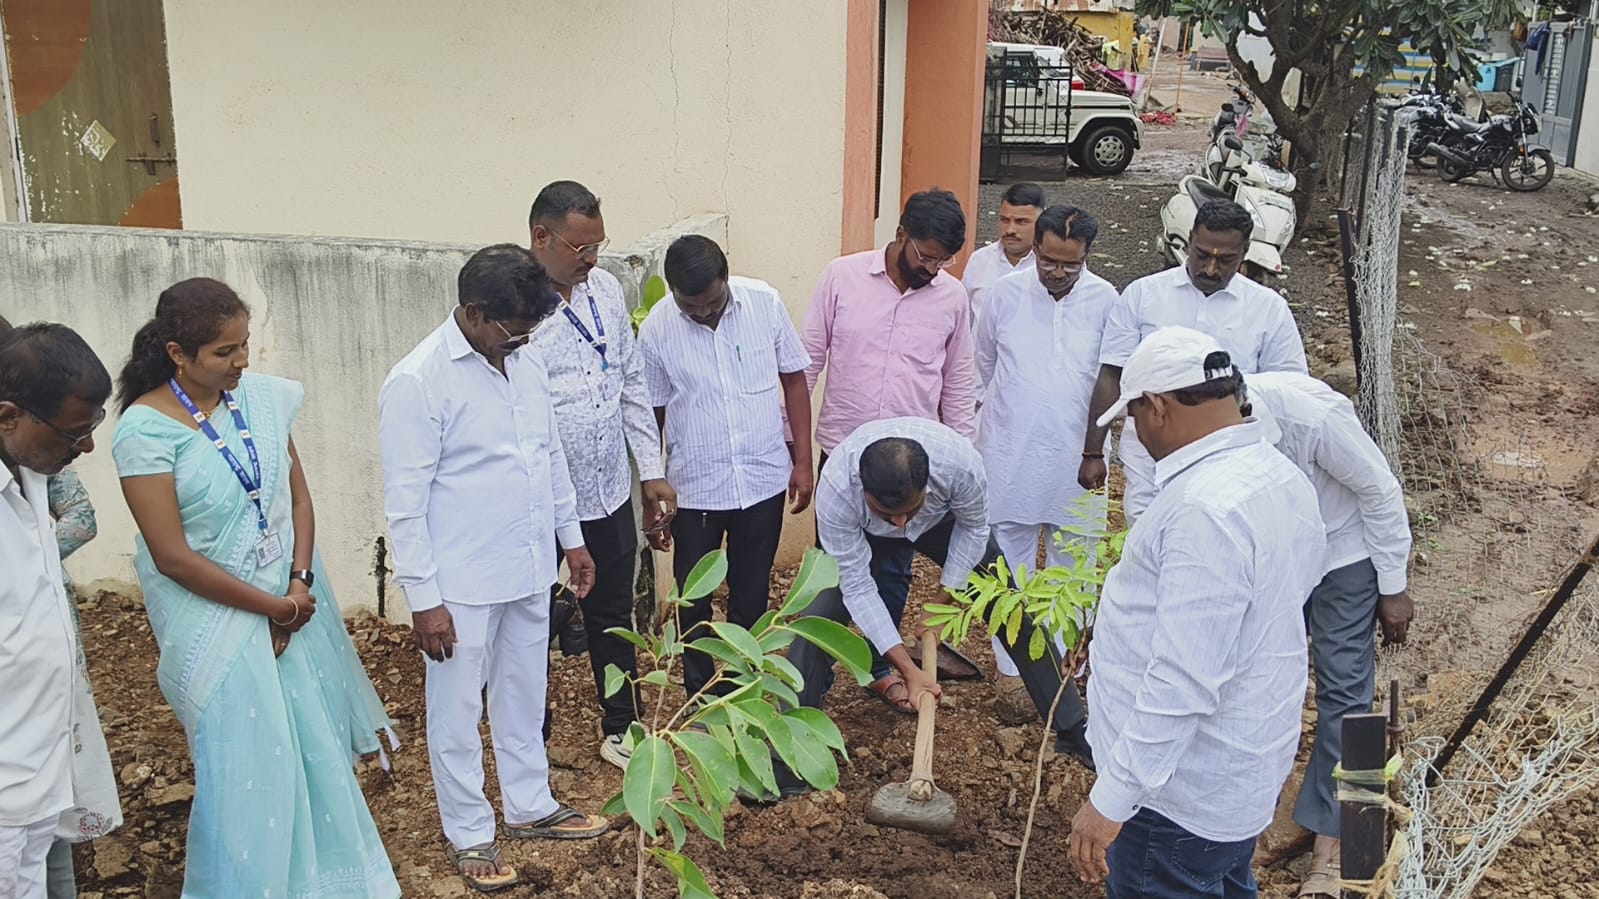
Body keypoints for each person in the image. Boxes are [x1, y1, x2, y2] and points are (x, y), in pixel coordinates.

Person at [110, 279, 398, 898]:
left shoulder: (262, 401)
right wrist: (273, 608)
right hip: (216, 625)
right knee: (247, 770)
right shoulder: (144, 432)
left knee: (313, 755)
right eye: (224, 352)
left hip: (288, 605)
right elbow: (172, 556)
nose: (242, 361)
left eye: (245, 346)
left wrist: (297, 584)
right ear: (177, 353)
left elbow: (297, 496)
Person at [1067, 326, 1326, 898]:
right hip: (1236, 776)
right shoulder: (1279, 477)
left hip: (1173, 801)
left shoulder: (1203, 510)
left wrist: (1111, 800)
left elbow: (1181, 680)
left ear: (1156, 407)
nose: (1135, 434)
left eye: (1132, 418)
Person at [380, 245, 606, 893]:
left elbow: (547, 454)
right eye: (514, 329)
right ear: (474, 314)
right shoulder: (417, 382)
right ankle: (469, 829)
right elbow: (405, 503)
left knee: (523, 691)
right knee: (455, 709)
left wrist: (572, 539)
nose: (522, 341)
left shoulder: (523, 358)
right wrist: (423, 597)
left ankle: (531, 804)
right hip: (459, 584)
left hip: (530, 563)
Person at [786, 417, 1092, 772]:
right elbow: (857, 585)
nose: (900, 525)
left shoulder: (960, 465)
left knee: (1013, 612)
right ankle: (792, 755)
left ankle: (1073, 728)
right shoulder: (838, 491)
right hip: (865, 533)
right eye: (887, 513)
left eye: (908, 511)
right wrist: (908, 668)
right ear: (863, 491)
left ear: (927, 487)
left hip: (943, 521)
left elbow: (974, 529)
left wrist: (943, 603)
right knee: (816, 623)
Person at [1243, 371, 1416, 899]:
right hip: (1276, 552)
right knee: (1261, 676)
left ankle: (1339, 841)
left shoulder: (1312, 418)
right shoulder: (1197, 423)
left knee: (1346, 693)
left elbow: (1380, 489)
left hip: (1345, 554)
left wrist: (1393, 585)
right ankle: (1247, 817)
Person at [526, 180, 675, 770]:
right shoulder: (515, 303)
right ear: (541, 238)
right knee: (531, 619)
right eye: (580, 248)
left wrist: (651, 471)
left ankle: (621, 725)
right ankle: (529, 737)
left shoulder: (606, 289)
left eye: (598, 246)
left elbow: (630, 382)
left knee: (613, 611)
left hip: (608, 485)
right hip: (538, 498)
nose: (591, 260)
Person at [637, 235, 813, 702]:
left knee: (751, 593)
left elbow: (794, 381)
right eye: (691, 307)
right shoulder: (656, 329)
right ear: (673, 292)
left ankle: (742, 688)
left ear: (726, 279)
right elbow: (650, 413)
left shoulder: (764, 303)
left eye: (713, 303)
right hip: (694, 490)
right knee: (693, 598)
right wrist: (649, 493)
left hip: (762, 480)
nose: (704, 314)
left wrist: (803, 460)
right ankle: (700, 692)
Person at [974, 204, 1118, 719]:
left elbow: (1111, 377)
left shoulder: (1107, 300)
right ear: (1035, 250)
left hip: (1079, 458)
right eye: (1048, 261)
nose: (1057, 273)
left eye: (1069, 265)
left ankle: (1060, 670)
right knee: (1005, 564)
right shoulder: (1002, 295)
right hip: (1008, 449)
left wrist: (1094, 450)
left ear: (1087, 257)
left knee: (1073, 565)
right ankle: (1013, 674)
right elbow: (983, 367)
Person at [1081, 199, 1307, 525]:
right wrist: (1093, 452)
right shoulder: (1143, 295)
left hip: (1231, 466)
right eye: (1202, 255)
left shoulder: (1269, 309)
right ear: (1189, 241)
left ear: (1244, 254)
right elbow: (1112, 373)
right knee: (1146, 548)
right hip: (1150, 462)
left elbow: (1288, 390)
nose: (1211, 268)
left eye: (1226, 260)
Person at [0, 323, 118, 899]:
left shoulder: (31, 477)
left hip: (40, 777)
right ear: (7, 417)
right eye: (77, 432)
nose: (87, 446)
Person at [803, 187, 978, 466]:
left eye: (942, 261)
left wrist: (963, 454)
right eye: (925, 257)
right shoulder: (841, 276)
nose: (932, 270)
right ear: (901, 235)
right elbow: (807, 362)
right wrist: (793, 443)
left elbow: (958, 380)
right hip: (843, 450)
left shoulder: (953, 296)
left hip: (916, 457)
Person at [962, 182, 1046, 326]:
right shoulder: (979, 260)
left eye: (1021, 222)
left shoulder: (1053, 265)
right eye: (1005, 220)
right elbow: (963, 319)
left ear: (1042, 220)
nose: (1010, 230)